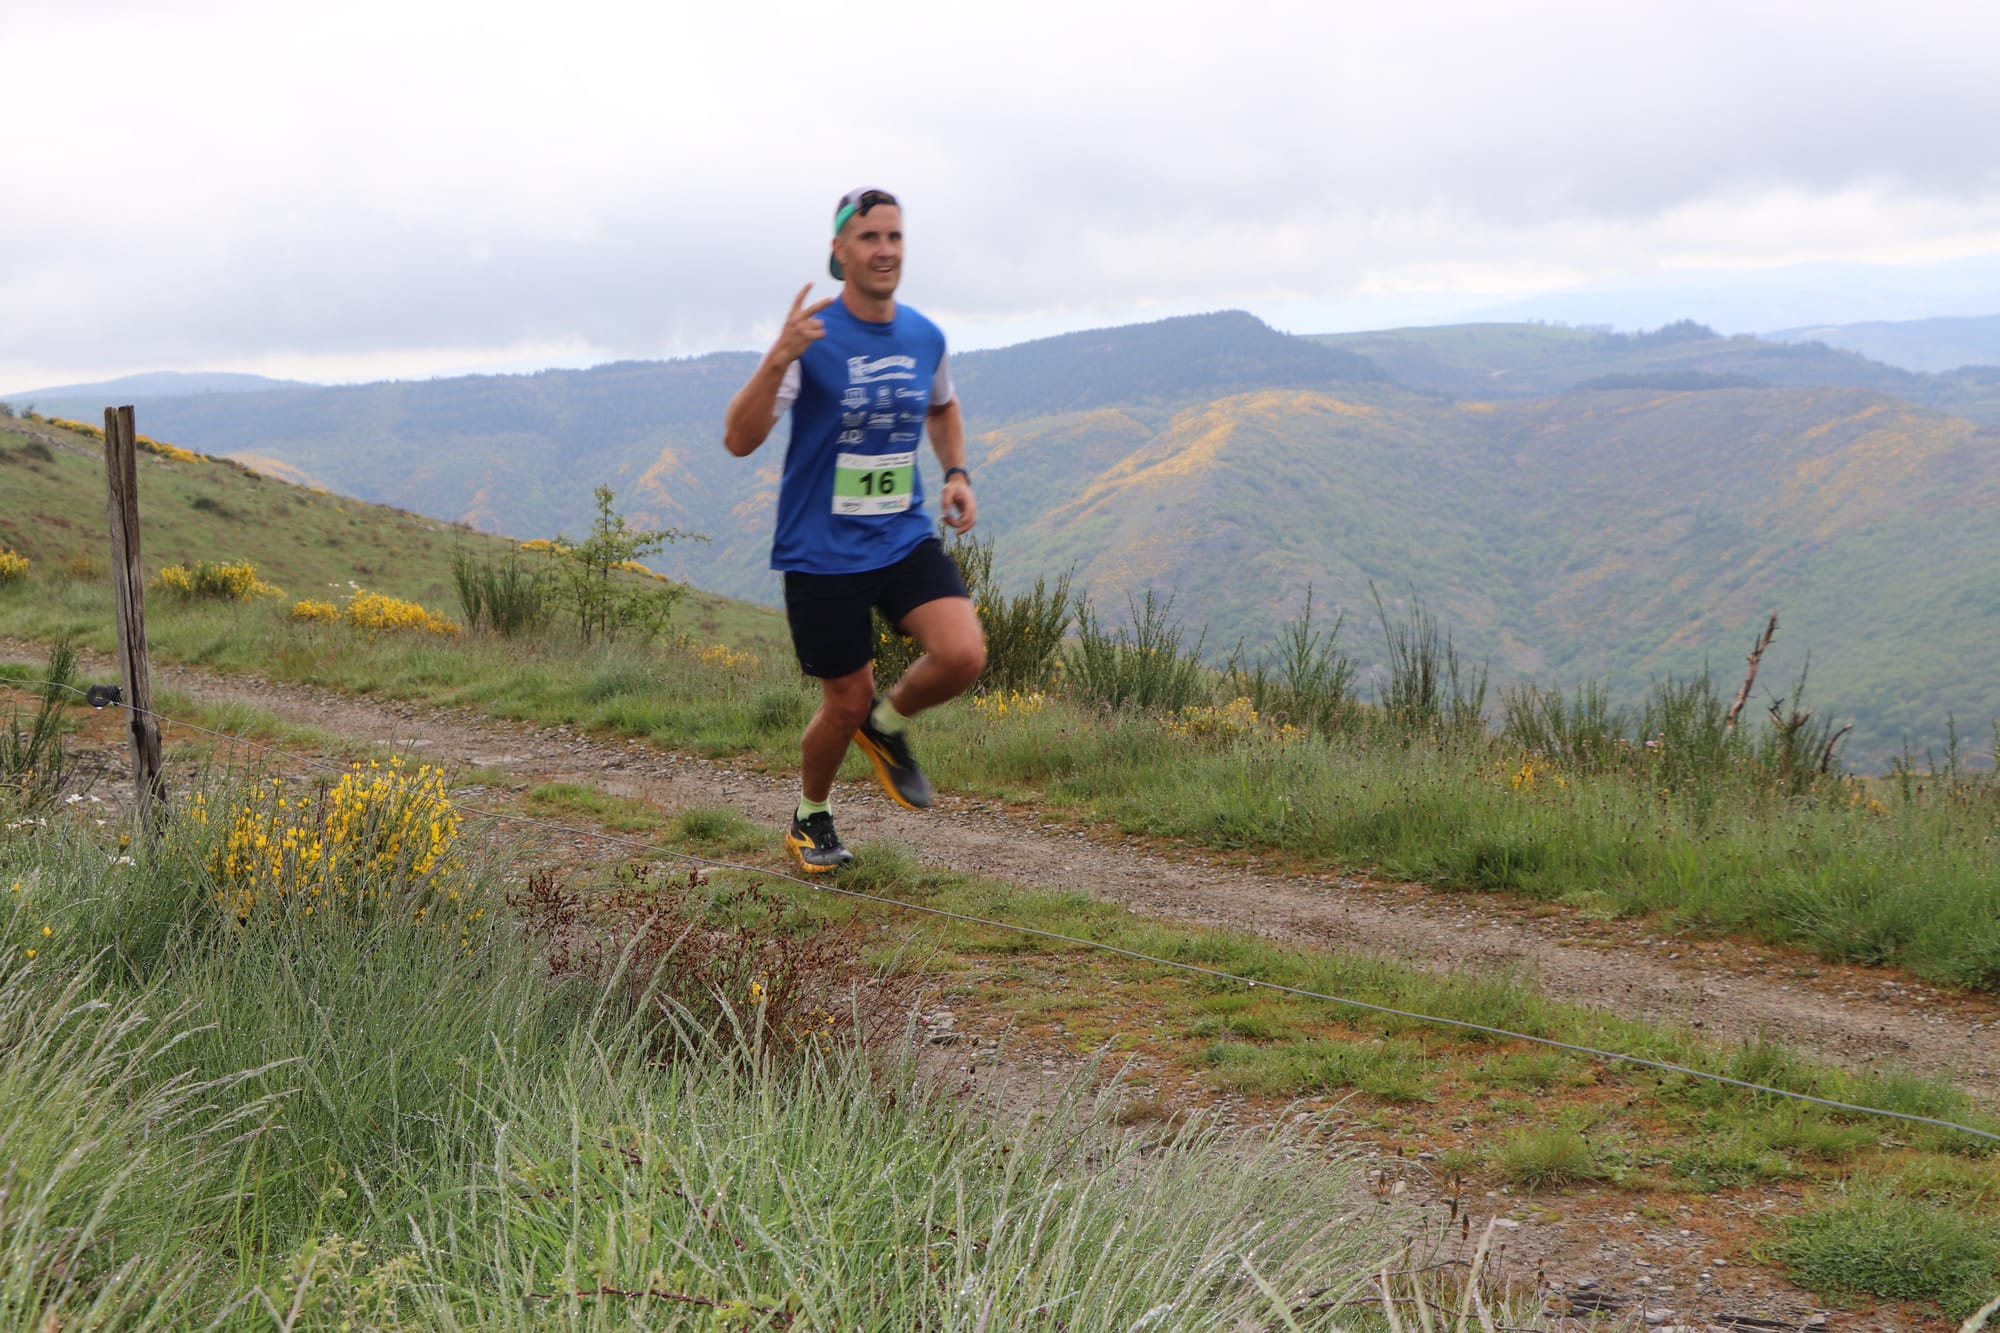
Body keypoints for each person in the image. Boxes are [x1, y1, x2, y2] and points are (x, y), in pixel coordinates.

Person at [722, 187, 985, 872]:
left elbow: (943, 404)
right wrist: (778, 356)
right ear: (839, 251)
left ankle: (888, 727)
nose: (885, 251)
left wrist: (956, 471)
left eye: (895, 237)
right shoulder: (810, 338)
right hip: (820, 549)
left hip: (900, 534)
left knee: (963, 654)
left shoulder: (925, 336)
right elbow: (738, 439)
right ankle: (811, 815)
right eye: (869, 238)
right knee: (844, 698)